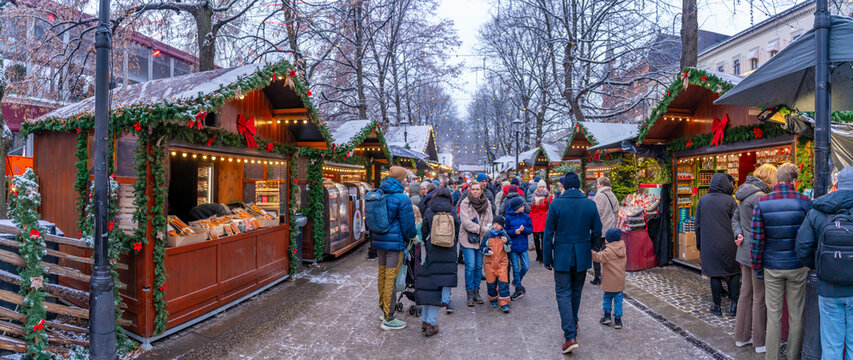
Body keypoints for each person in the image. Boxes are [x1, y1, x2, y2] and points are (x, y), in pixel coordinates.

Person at [750, 163, 810, 360]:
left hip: (772, 265)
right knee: (796, 315)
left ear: (777, 180)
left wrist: (757, 266)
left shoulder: (763, 203)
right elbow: (809, 237)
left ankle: (772, 357)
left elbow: (757, 239)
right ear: (794, 181)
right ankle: (793, 356)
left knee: (773, 316)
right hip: (797, 265)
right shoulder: (804, 201)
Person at [796, 166, 853, 360]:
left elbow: (802, 248)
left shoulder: (818, 211)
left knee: (831, 346)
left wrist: (820, 266)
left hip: (828, 287)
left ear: (836, 185)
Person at [543, 172, 602, 354]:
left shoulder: (556, 204)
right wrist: (591, 245)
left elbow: (548, 234)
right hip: (582, 253)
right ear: (578, 185)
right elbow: (597, 230)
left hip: (562, 254)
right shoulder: (590, 204)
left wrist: (547, 258)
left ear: (564, 186)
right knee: (576, 291)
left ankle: (570, 335)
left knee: (563, 292)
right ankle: (573, 322)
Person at [730, 164, 777, 353]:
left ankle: (741, 337)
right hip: (757, 251)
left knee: (746, 293)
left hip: (744, 251)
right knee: (759, 296)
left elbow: (735, 219)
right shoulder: (761, 197)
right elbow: (766, 226)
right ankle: (760, 341)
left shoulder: (744, 194)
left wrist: (738, 234)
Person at [370, 166, 417, 331]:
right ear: (400, 179)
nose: (406, 180)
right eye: (405, 178)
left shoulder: (379, 193)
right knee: (391, 278)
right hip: (394, 244)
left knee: (382, 276)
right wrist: (412, 237)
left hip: (378, 242)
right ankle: (389, 318)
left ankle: (383, 310)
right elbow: (409, 226)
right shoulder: (402, 198)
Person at [416, 187, 460, 337]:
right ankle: (431, 323)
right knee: (439, 289)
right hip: (448, 253)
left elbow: (423, 231)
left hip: (432, 253)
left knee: (430, 288)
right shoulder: (452, 211)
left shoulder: (429, 210)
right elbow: (457, 232)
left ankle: (426, 321)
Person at [696, 173, 740, 317]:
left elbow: (697, 225)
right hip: (729, 243)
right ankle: (734, 306)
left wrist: (700, 246)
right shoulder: (730, 201)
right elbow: (736, 222)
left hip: (709, 243)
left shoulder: (703, 200)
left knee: (714, 274)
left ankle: (717, 307)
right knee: (733, 272)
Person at [458, 182, 493, 306]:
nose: (475, 191)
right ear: (470, 191)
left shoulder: (487, 203)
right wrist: (480, 228)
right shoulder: (465, 203)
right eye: (473, 189)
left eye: (477, 189)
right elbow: (465, 222)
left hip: (482, 239)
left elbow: (490, 219)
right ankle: (470, 293)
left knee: (479, 266)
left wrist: (487, 228)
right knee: (470, 266)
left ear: (481, 190)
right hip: (467, 238)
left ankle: (477, 292)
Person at [592, 228, 627, 330]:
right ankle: (618, 320)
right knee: (618, 300)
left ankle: (607, 316)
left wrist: (590, 252)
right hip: (619, 281)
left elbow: (598, 257)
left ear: (609, 240)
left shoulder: (608, 251)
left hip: (609, 281)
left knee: (607, 298)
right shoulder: (622, 249)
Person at [479, 215, 511, 312]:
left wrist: (506, 243)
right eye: (494, 224)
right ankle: (493, 299)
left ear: (502, 226)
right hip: (490, 264)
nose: (496, 226)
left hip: (502, 263)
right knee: (491, 283)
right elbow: (481, 248)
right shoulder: (487, 236)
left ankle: (504, 303)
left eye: (498, 224)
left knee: (503, 283)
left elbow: (509, 249)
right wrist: (487, 250)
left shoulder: (505, 236)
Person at [592, 176, 619, 286]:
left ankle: (598, 276)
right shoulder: (612, 195)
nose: (596, 185)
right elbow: (616, 211)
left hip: (601, 229)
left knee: (596, 252)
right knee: (608, 253)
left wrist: (593, 226)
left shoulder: (599, 195)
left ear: (602, 185)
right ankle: (609, 275)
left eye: (598, 183)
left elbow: (597, 213)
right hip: (610, 229)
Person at [505, 197, 533, 300]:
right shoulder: (508, 218)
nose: (524, 207)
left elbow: (530, 229)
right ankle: (518, 289)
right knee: (515, 268)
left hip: (524, 246)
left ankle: (517, 282)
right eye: (522, 205)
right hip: (513, 247)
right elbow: (506, 231)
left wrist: (524, 229)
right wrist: (514, 232)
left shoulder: (526, 217)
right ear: (517, 207)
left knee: (525, 266)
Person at [530, 180, 552, 263]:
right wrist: (529, 219)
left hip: (544, 219)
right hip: (536, 219)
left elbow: (550, 208)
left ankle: (543, 255)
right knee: (535, 238)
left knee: (543, 238)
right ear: (538, 187)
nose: (541, 188)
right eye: (540, 187)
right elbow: (532, 208)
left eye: (543, 187)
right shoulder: (534, 196)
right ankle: (538, 254)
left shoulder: (549, 196)